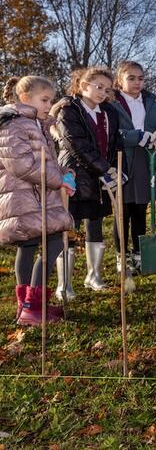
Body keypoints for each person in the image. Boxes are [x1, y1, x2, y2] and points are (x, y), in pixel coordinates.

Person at [0, 76, 75, 325]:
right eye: (44, 100)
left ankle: (28, 306)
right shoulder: (15, 124)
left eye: (50, 100)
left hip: (35, 196)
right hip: (25, 198)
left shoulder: (35, 124)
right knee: (54, 243)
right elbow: (21, 164)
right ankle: (32, 305)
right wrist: (57, 180)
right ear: (24, 99)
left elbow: (45, 162)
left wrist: (65, 174)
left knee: (30, 246)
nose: (48, 104)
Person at [52, 67, 122, 294]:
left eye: (107, 89)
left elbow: (115, 143)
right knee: (69, 227)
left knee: (96, 223)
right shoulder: (68, 110)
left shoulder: (109, 112)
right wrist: (104, 169)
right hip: (74, 177)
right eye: (98, 87)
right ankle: (65, 284)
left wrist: (119, 170)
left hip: (99, 179)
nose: (103, 92)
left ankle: (94, 276)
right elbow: (76, 144)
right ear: (83, 85)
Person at [110, 61, 156, 273]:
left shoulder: (151, 102)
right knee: (123, 211)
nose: (137, 82)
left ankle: (139, 255)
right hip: (123, 160)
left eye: (140, 78)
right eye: (131, 78)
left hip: (146, 160)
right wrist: (135, 136)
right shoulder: (111, 104)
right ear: (120, 81)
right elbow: (110, 134)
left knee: (140, 209)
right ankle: (122, 257)